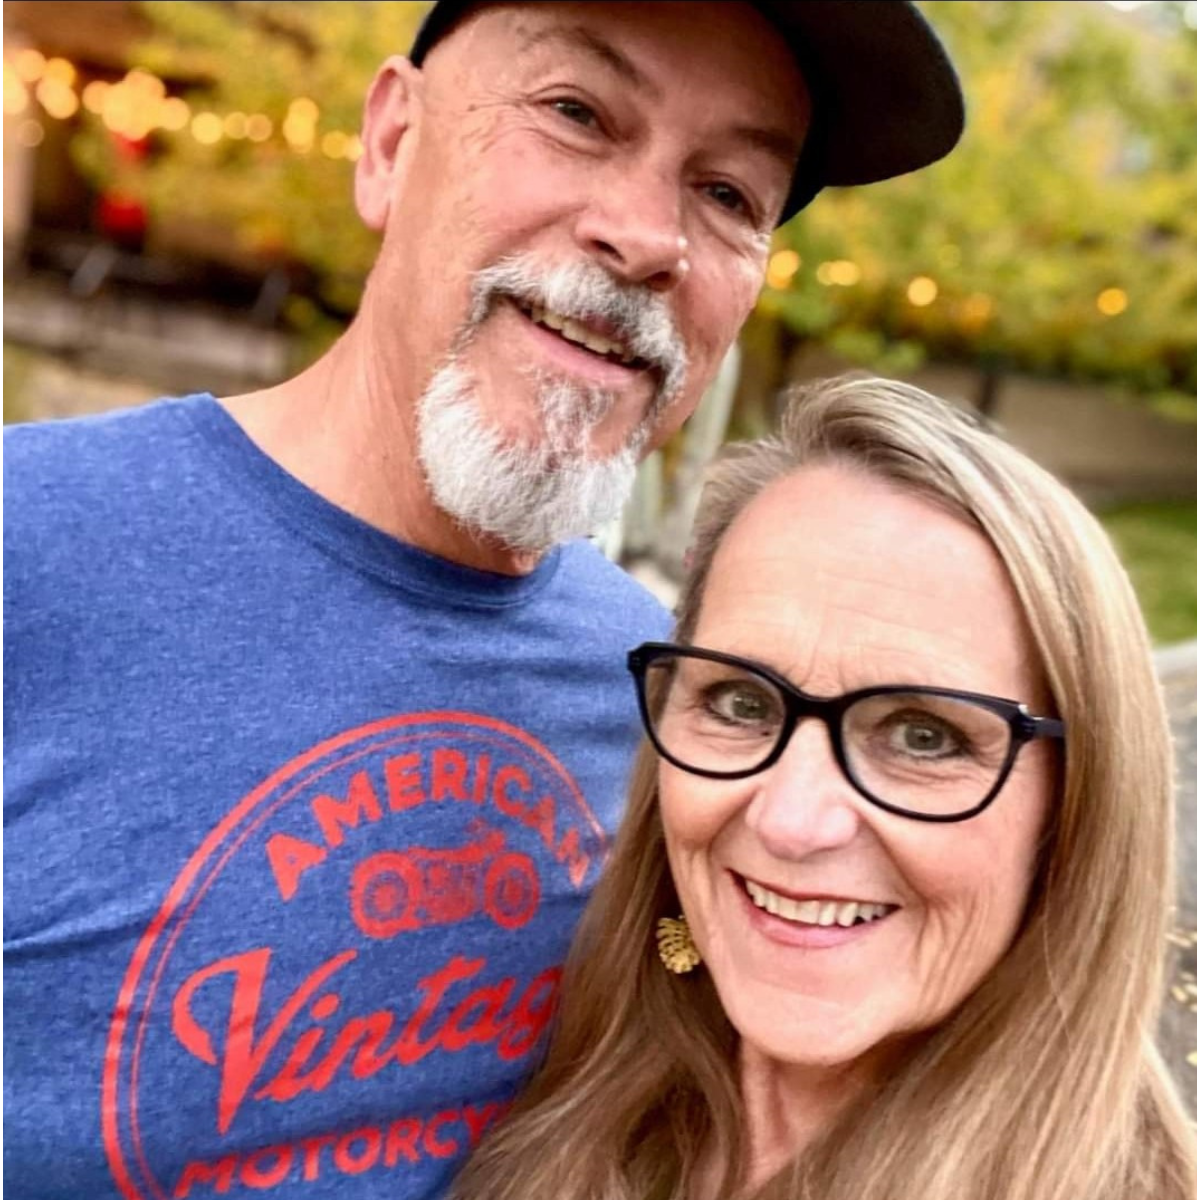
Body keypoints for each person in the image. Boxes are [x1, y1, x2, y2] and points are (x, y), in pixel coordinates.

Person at [3, 5, 964, 1200]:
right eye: (576, 114)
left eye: (728, 194)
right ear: (391, 143)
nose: (645, 237)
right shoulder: (26, 547)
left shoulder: (685, 717)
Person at [449, 375, 1196, 1200]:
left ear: (1081, 806)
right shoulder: (555, 1079)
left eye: (923, 736)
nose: (791, 820)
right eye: (741, 703)